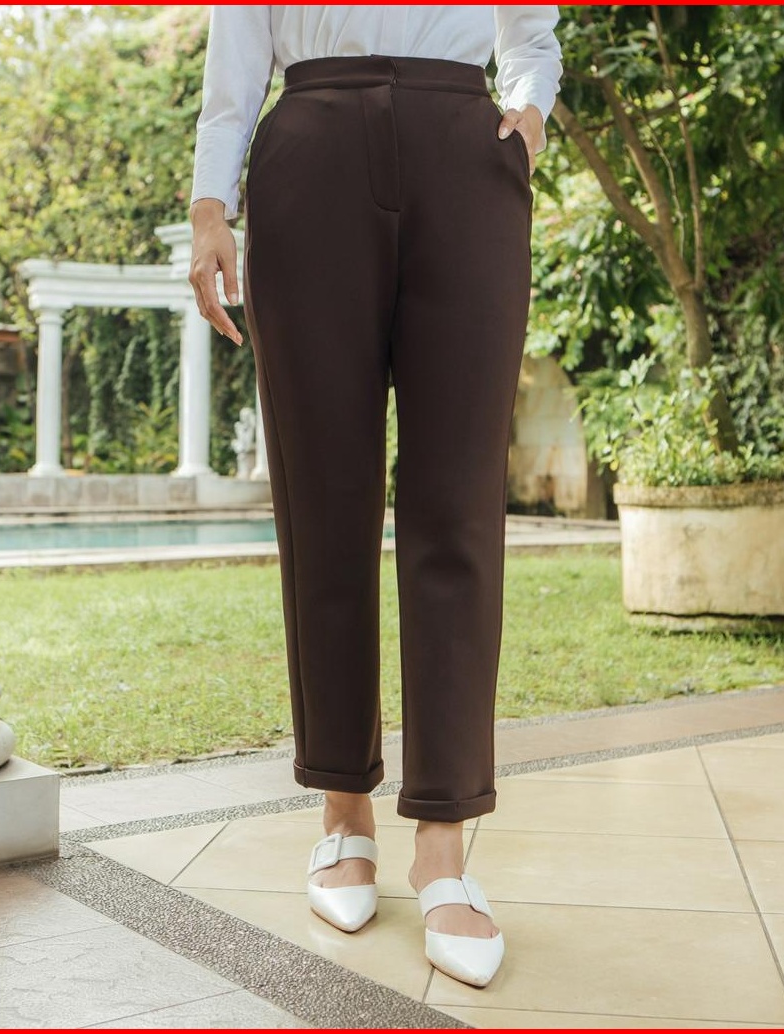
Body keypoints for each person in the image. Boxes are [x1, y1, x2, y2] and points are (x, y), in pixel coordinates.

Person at [188, 6, 562, 989]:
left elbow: (530, 37)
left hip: (466, 155)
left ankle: (442, 843)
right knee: (323, 502)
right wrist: (209, 209)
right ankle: (342, 812)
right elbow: (236, 65)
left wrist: (527, 113)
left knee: (458, 503)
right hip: (310, 152)